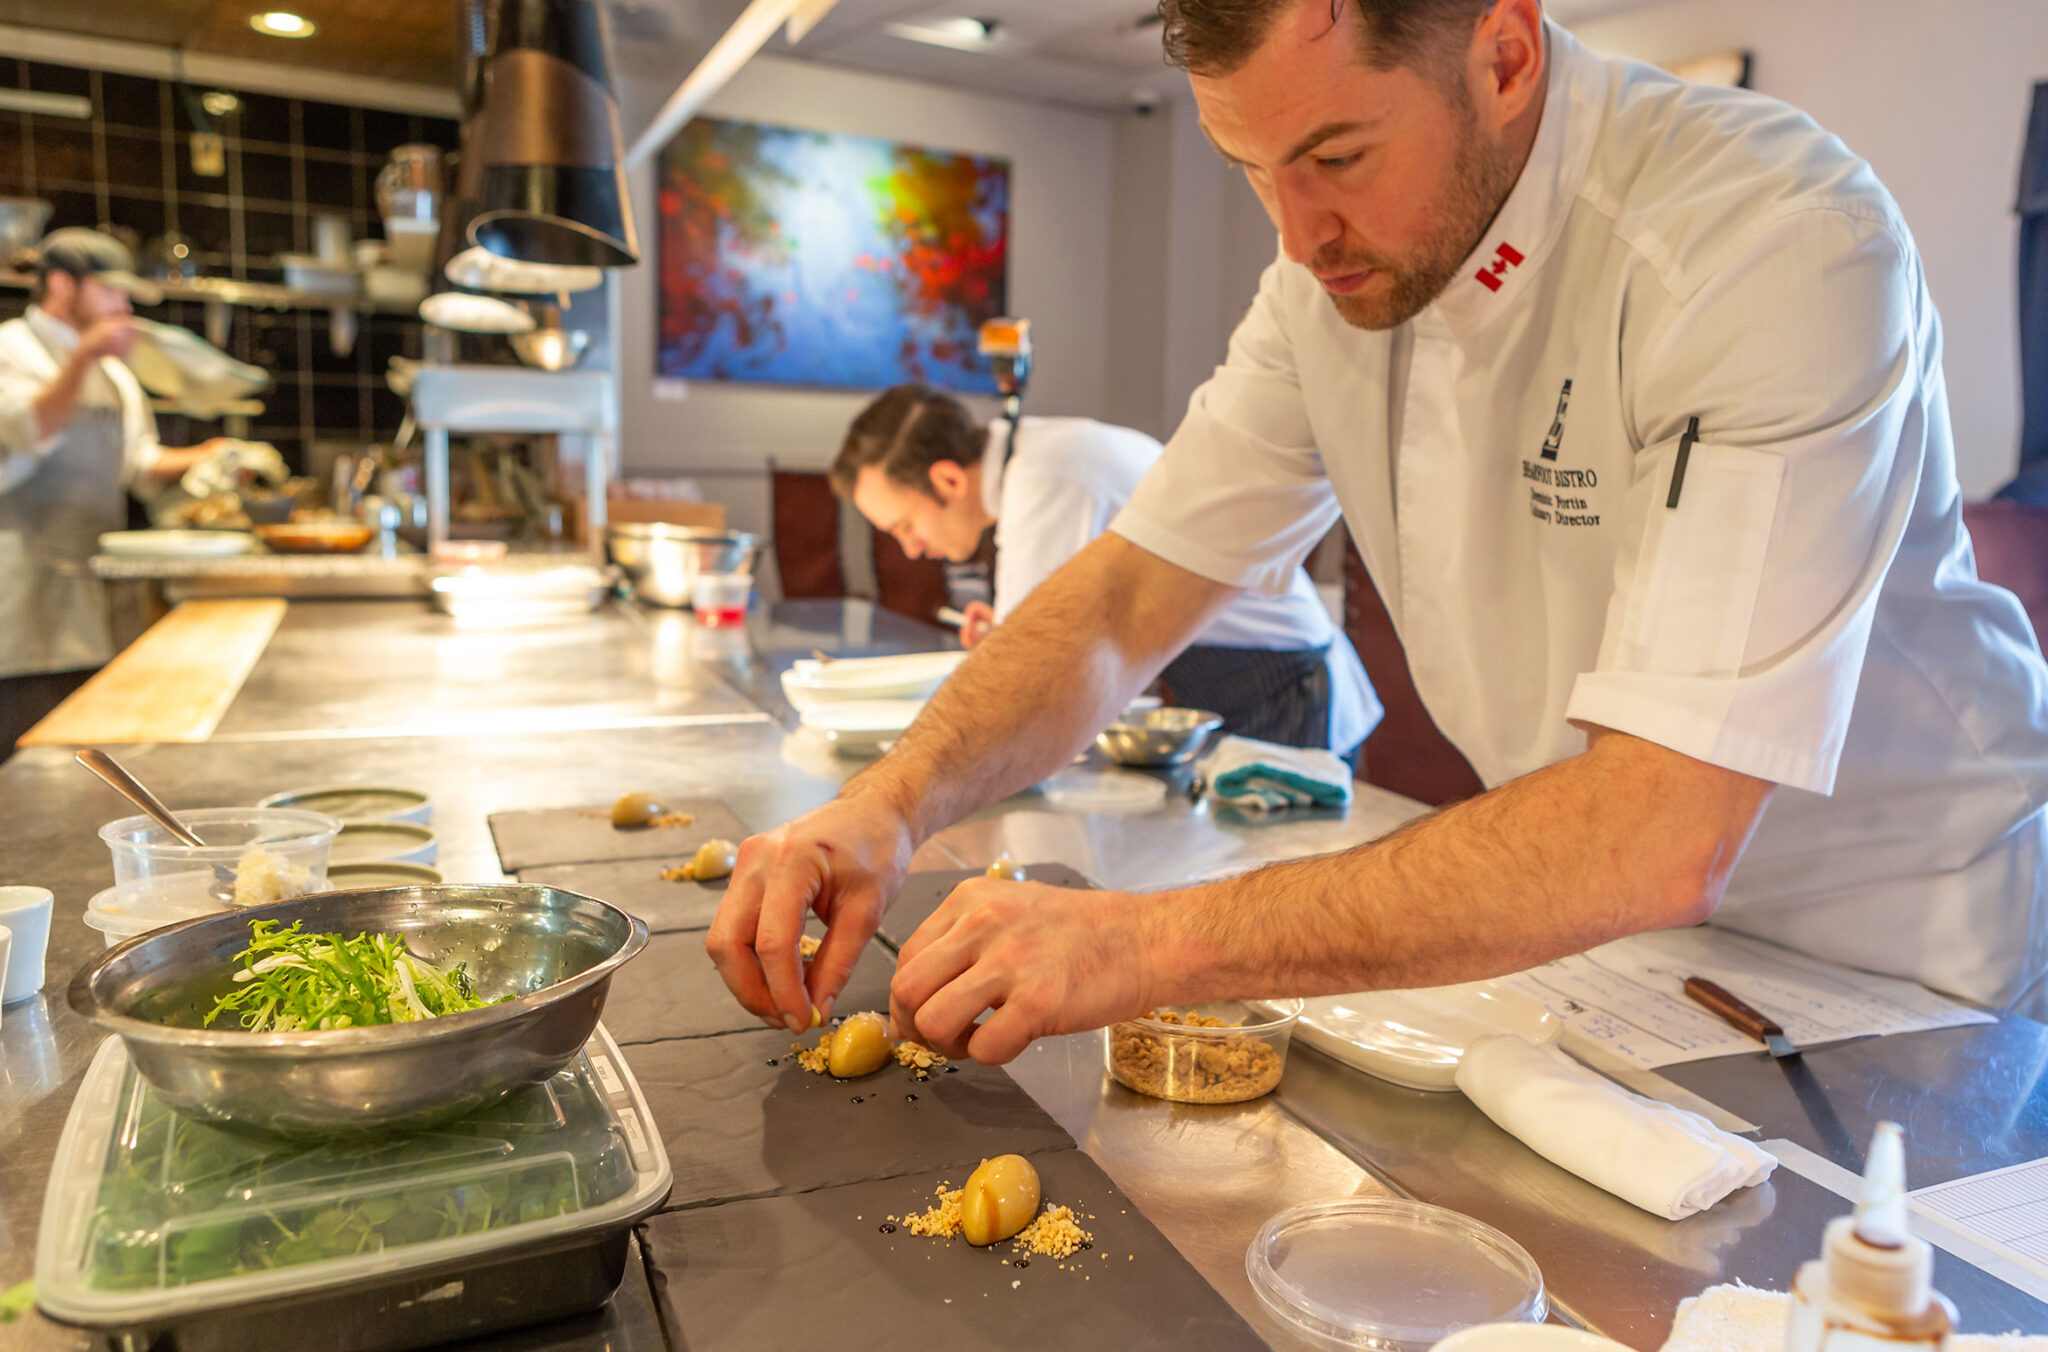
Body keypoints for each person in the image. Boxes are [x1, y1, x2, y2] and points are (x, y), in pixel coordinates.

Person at [709, 0, 2048, 1061]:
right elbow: (1124, 600)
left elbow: (1660, 829)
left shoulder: (1768, 239)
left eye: (1337, 157)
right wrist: (883, 807)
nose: (1298, 235)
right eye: (1250, 169)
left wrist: (1142, 945)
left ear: (1506, 53)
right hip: (1610, 951)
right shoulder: (1325, 287)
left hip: (1904, 978)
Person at [830, 383, 1380, 755]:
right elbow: (1052, 638)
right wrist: (1007, 636)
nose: (910, 549)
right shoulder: (1041, 454)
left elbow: (1029, 678)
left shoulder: (1045, 477)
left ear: (948, 481)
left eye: (905, 526)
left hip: (1285, 690)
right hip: (1233, 679)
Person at [0, 229, 222, 739]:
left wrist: (212, 455)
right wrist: (81, 360)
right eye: (110, 291)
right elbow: (31, 430)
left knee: (85, 748)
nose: (122, 306)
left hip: (94, 595)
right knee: (28, 756)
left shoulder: (115, 372)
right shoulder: (12, 349)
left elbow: (138, 465)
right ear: (60, 284)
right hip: (23, 597)